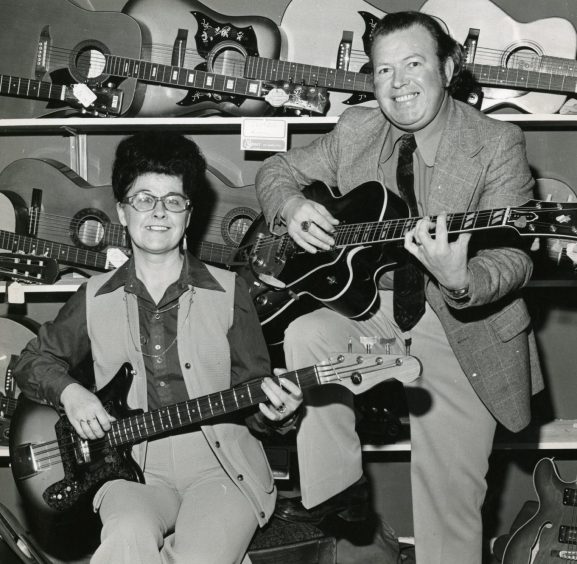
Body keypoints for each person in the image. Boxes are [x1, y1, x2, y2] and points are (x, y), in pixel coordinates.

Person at [253, 11, 543, 564]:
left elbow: (514, 259)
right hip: (376, 319)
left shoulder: (496, 142)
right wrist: (290, 207)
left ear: (448, 68)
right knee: (309, 331)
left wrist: (463, 278)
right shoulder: (358, 129)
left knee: (448, 501)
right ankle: (337, 495)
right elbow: (276, 170)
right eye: (384, 71)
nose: (398, 83)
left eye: (413, 64)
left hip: (462, 327)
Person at [13, 131, 303, 564]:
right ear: (122, 211)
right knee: (124, 540)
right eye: (144, 199)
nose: (158, 213)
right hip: (130, 470)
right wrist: (71, 393)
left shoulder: (230, 291)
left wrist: (279, 414)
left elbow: (255, 396)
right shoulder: (93, 296)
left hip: (222, 469)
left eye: (173, 200)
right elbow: (32, 361)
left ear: (189, 212)